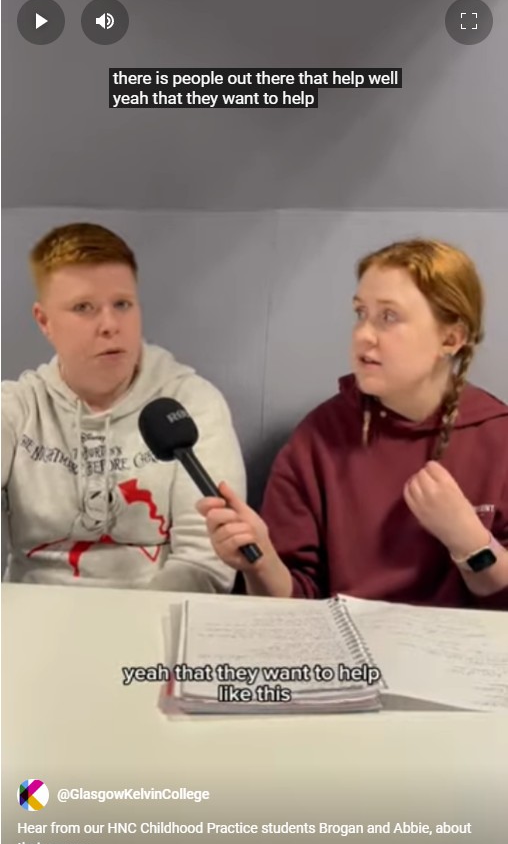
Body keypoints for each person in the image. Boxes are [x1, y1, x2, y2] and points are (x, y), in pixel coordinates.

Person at [198, 238, 508, 609]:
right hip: (344, 659)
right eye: (361, 313)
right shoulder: (318, 439)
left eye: (389, 317)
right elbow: (291, 602)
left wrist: (470, 541)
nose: (363, 334)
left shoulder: (498, 437)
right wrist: (261, 561)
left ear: (451, 338)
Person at [1, 222, 246, 592]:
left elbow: (205, 562)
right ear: (45, 321)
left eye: (122, 304)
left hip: (156, 624)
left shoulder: (191, 403)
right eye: (83, 307)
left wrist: (133, 631)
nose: (110, 325)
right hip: (35, 620)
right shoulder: (17, 408)